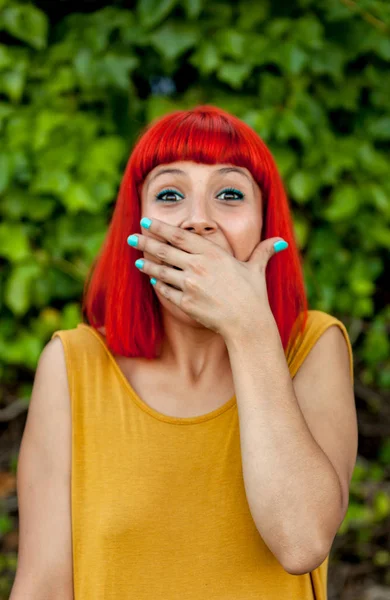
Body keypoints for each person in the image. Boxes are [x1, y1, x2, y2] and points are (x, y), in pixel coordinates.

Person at [11, 105, 358, 600]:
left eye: (230, 194)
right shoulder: (71, 365)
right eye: (170, 195)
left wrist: (250, 330)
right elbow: (43, 587)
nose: (199, 221)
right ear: (138, 225)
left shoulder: (314, 348)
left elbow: (301, 541)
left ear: (265, 225)